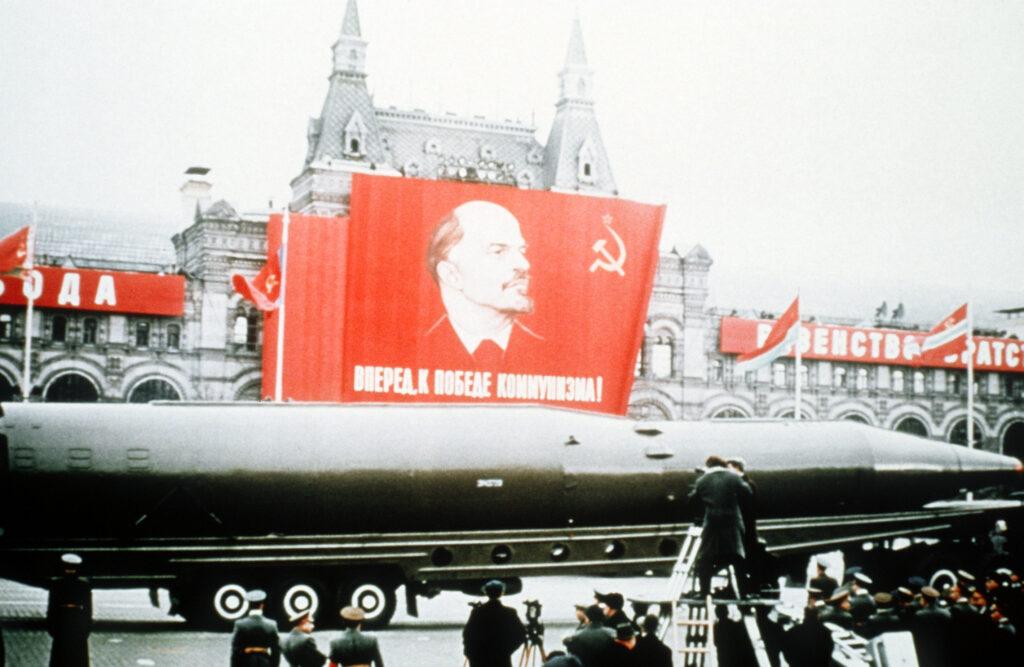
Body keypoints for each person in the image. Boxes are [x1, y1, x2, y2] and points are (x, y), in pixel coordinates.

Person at [424, 200, 543, 370]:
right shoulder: (408, 354)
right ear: (451, 275)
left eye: (521, 251)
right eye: (498, 252)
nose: (524, 264)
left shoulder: (556, 356)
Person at [688, 455, 753, 597]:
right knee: (738, 560)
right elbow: (748, 492)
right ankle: (744, 593)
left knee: (705, 559)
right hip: (732, 524)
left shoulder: (702, 480)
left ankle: (704, 592)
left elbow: (692, 499)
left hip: (712, 525)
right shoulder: (734, 478)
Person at [462, 579, 526, 667]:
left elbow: (468, 634)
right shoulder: (510, 612)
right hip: (501, 659)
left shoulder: (477, 612)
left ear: (486, 592)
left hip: (479, 659)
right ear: (502, 592)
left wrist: (470, 653)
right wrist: (507, 650)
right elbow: (521, 634)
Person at [47, 553, 92, 667]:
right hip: (78, 621)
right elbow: (88, 608)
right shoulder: (84, 584)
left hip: (62, 621)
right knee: (78, 657)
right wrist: (87, 627)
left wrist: (51, 625)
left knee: (60, 656)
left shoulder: (57, 583)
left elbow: (52, 607)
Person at [230, 589, 281, 667]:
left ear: (249, 607)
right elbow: (276, 651)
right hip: (265, 662)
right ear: (261, 606)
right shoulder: (271, 625)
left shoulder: (240, 625)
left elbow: (235, 650)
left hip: (246, 662)